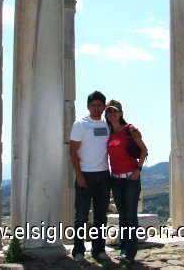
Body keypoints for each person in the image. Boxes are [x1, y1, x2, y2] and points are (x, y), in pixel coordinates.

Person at [69, 91, 111, 262]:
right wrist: (78, 175)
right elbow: (72, 151)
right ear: (87, 106)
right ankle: (78, 251)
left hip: (103, 175)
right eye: (93, 105)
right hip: (85, 174)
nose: (96, 108)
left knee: (101, 215)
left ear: (104, 107)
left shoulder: (107, 125)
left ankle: (98, 249)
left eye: (99, 105)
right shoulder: (80, 124)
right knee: (81, 215)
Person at [105, 99, 148, 263]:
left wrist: (138, 170)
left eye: (115, 111)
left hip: (131, 178)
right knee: (123, 216)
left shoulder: (129, 129)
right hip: (116, 180)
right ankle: (124, 249)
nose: (112, 114)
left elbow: (144, 150)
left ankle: (129, 253)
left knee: (130, 215)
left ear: (121, 113)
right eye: (109, 111)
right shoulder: (108, 133)